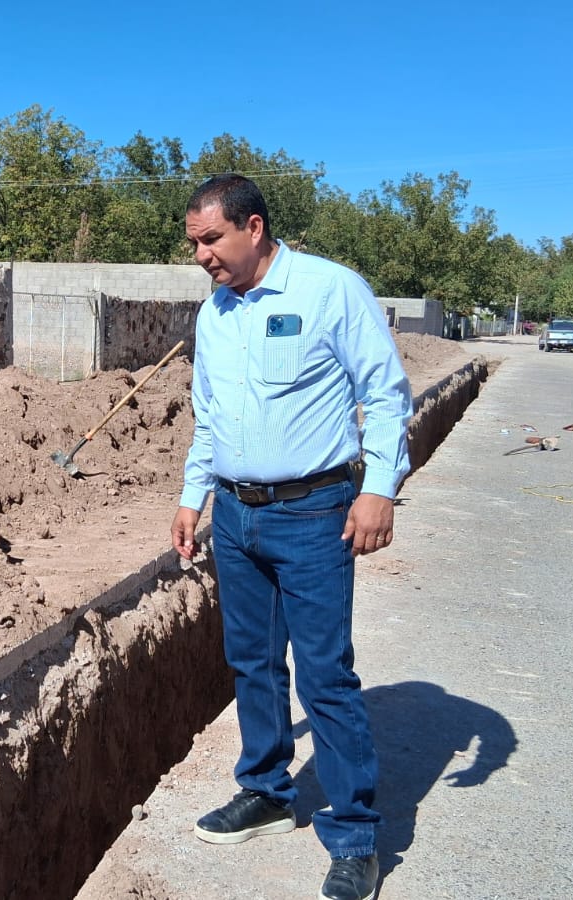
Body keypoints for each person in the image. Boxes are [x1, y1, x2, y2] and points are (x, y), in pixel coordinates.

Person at [170, 174, 411, 900]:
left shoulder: (329, 291)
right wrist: (192, 498)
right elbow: (208, 417)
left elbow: (386, 392)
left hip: (313, 513)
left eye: (211, 240)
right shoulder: (215, 314)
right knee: (251, 662)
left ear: (254, 226)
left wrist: (378, 487)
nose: (203, 257)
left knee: (324, 673)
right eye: (194, 245)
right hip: (236, 515)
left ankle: (355, 834)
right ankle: (269, 793)